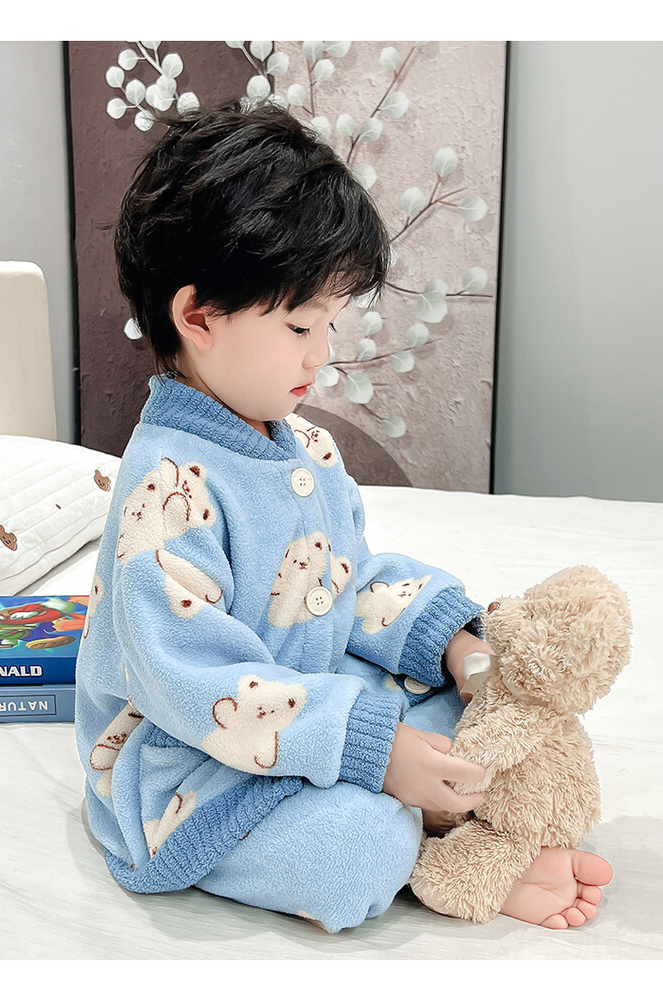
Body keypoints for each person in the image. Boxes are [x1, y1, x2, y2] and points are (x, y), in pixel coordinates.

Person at [74, 97, 612, 933]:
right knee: (355, 849)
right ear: (198, 316)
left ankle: (455, 818)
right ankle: (441, 848)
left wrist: (451, 641)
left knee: (489, 719)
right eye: (300, 324)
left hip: (307, 703)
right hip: (193, 763)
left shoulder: (307, 449)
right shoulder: (165, 493)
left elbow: (344, 579)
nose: (321, 353)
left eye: (330, 322)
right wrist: (376, 749)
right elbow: (193, 679)